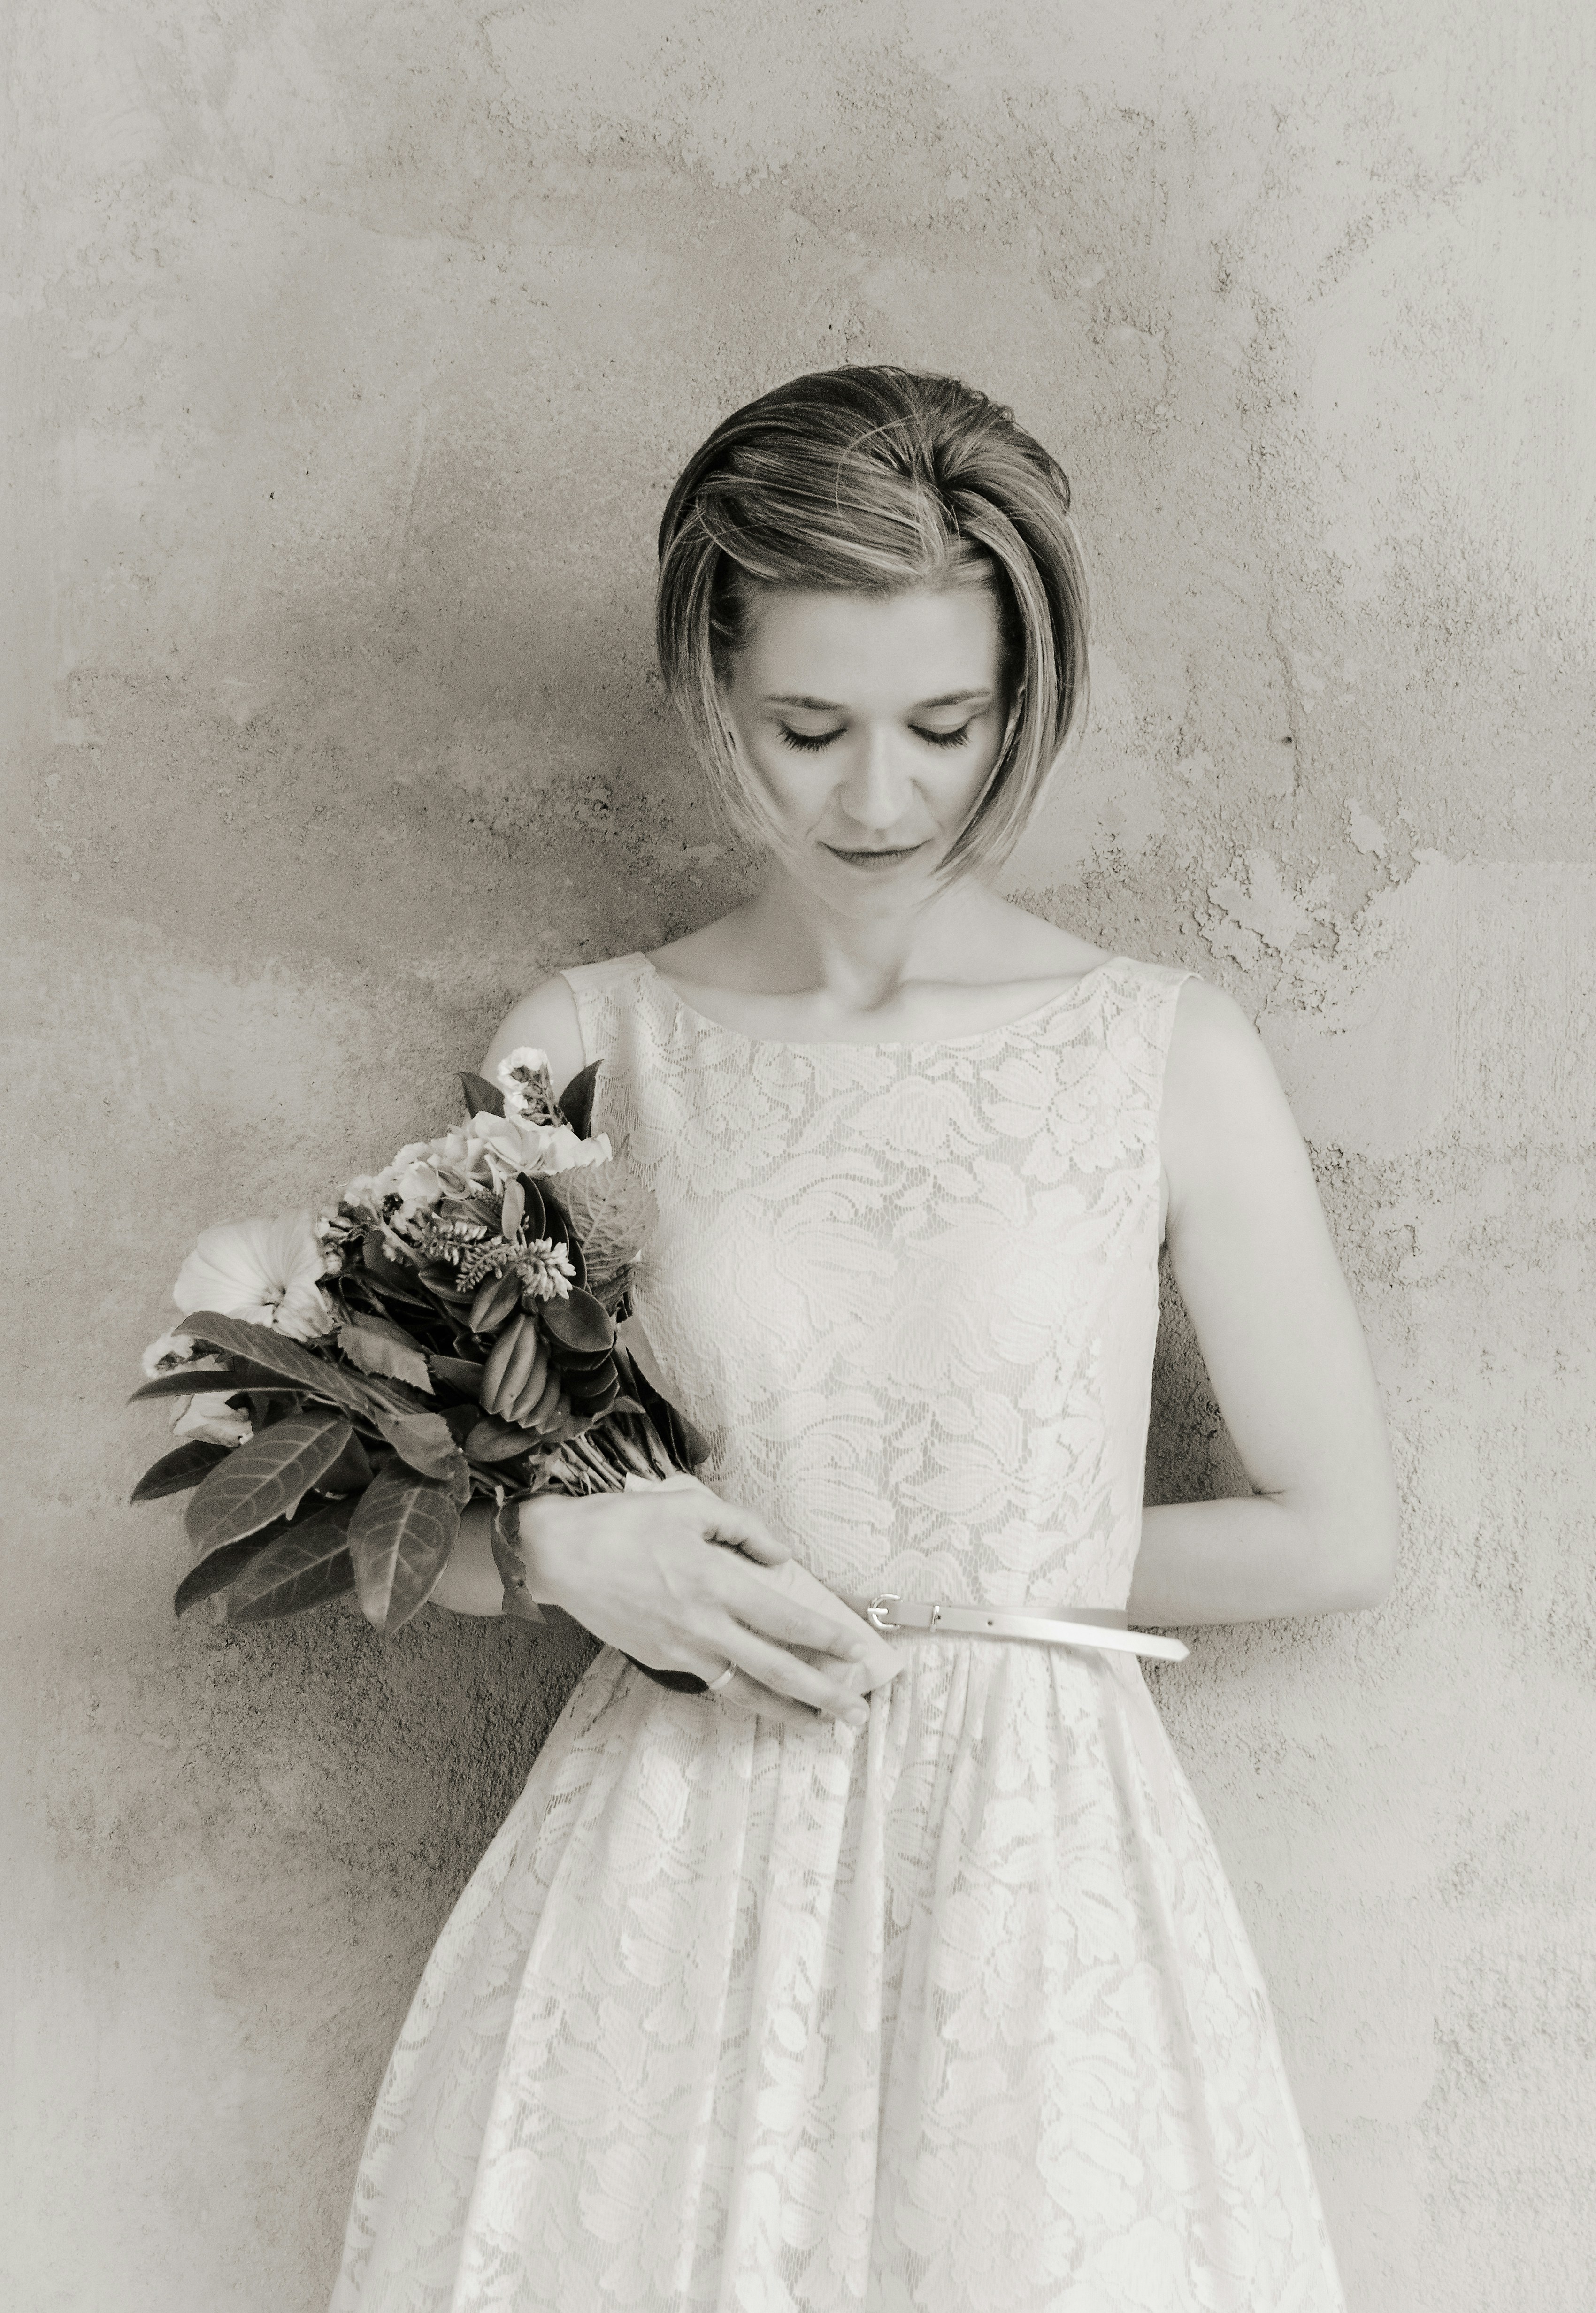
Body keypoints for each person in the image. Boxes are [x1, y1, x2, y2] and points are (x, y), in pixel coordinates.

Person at [330, 366, 1398, 2312]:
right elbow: (406, 1509)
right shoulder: (581, 1044)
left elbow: (1332, 1526)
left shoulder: (1166, 1050)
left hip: (1040, 1860)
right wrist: (565, 1542)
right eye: (807, 726)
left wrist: (954, 1585)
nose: (880, 794)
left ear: (1024, 700)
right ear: (710, 691)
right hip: (675, 1850)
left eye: (946, 724)